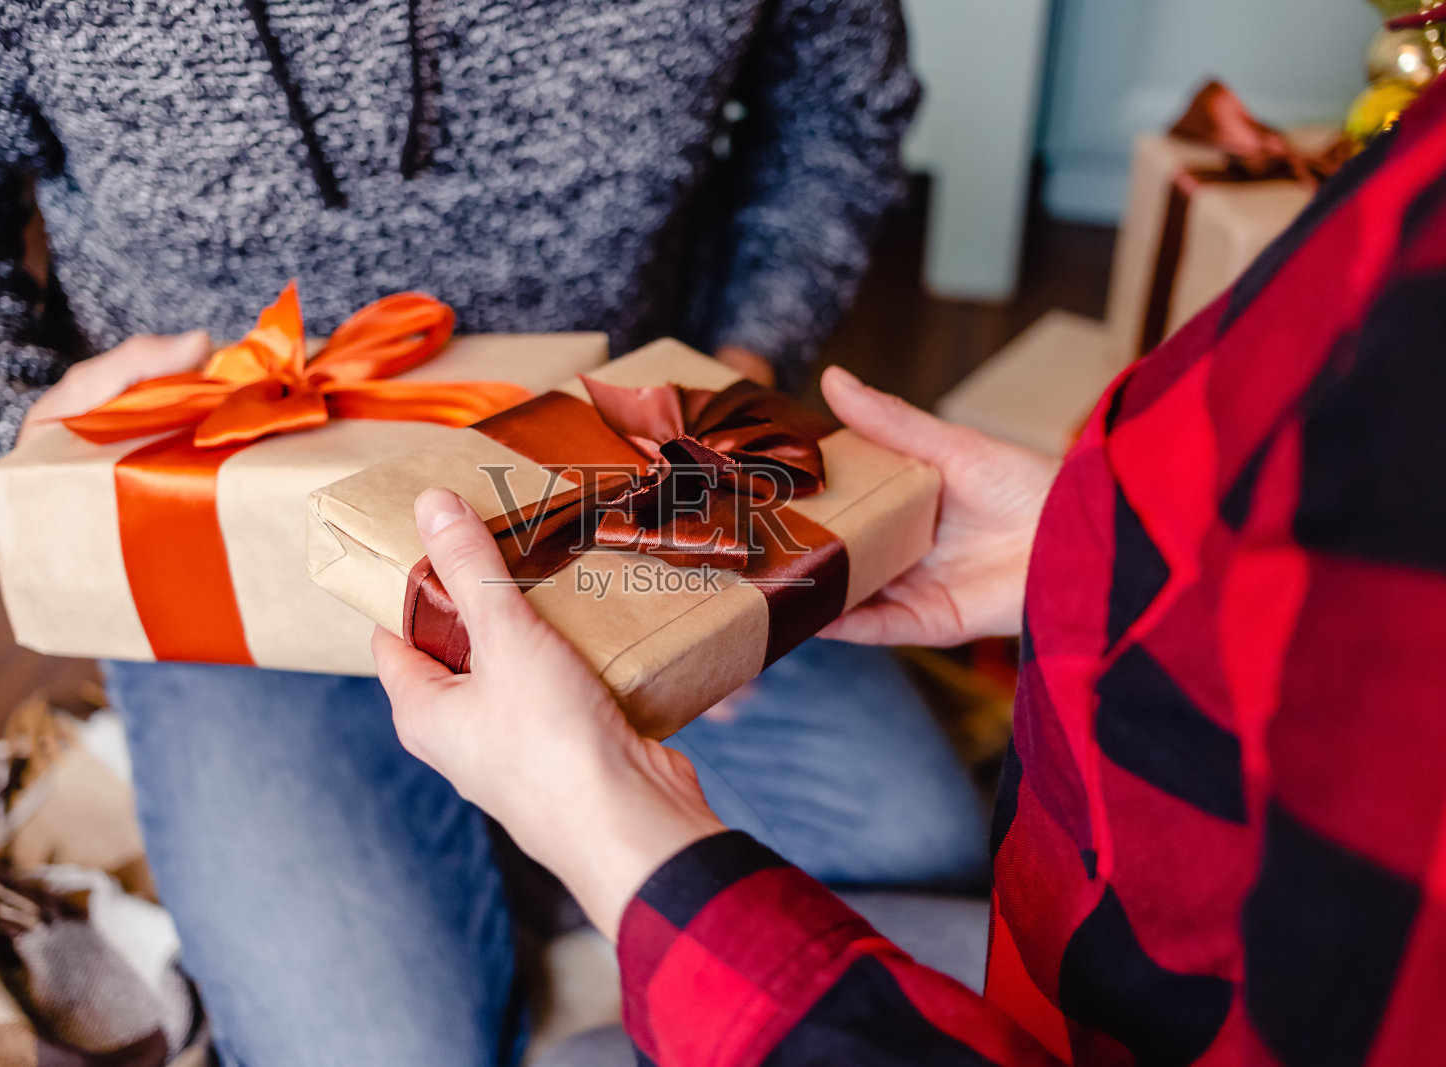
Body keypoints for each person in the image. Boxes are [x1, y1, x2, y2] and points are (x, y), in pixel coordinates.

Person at [0, 2, 990, 1063]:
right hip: (228, 538)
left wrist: (736, 363)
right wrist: (11, 414)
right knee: (374, 1045)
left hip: (631, 485)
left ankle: (518, 836)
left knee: (920, 859)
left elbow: (838, 105)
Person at [372, 79, 1446, 1063]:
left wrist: (609, 826)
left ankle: (525, 838)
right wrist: (1076, 547)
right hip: (1128, 896)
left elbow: (837, 113)